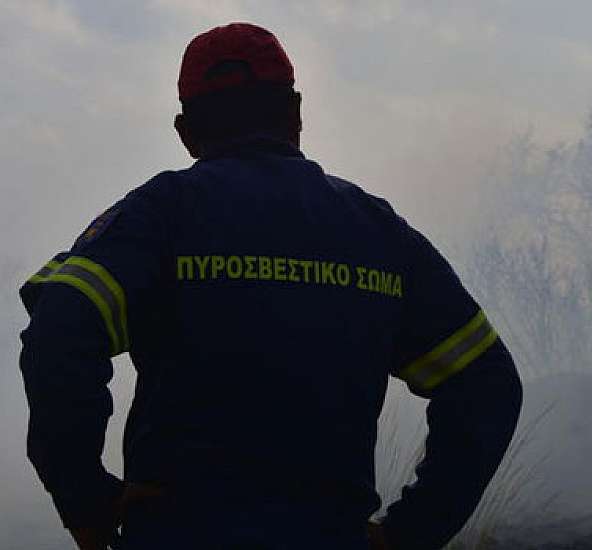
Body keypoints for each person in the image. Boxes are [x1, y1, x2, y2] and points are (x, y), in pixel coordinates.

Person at [19, 22, 522, 550]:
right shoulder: (379, 233)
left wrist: (85, 499)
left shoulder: (159, 217)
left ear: (186, 130)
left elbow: (60, 330)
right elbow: (485, 381)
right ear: (296, 113)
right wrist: (412, 532)